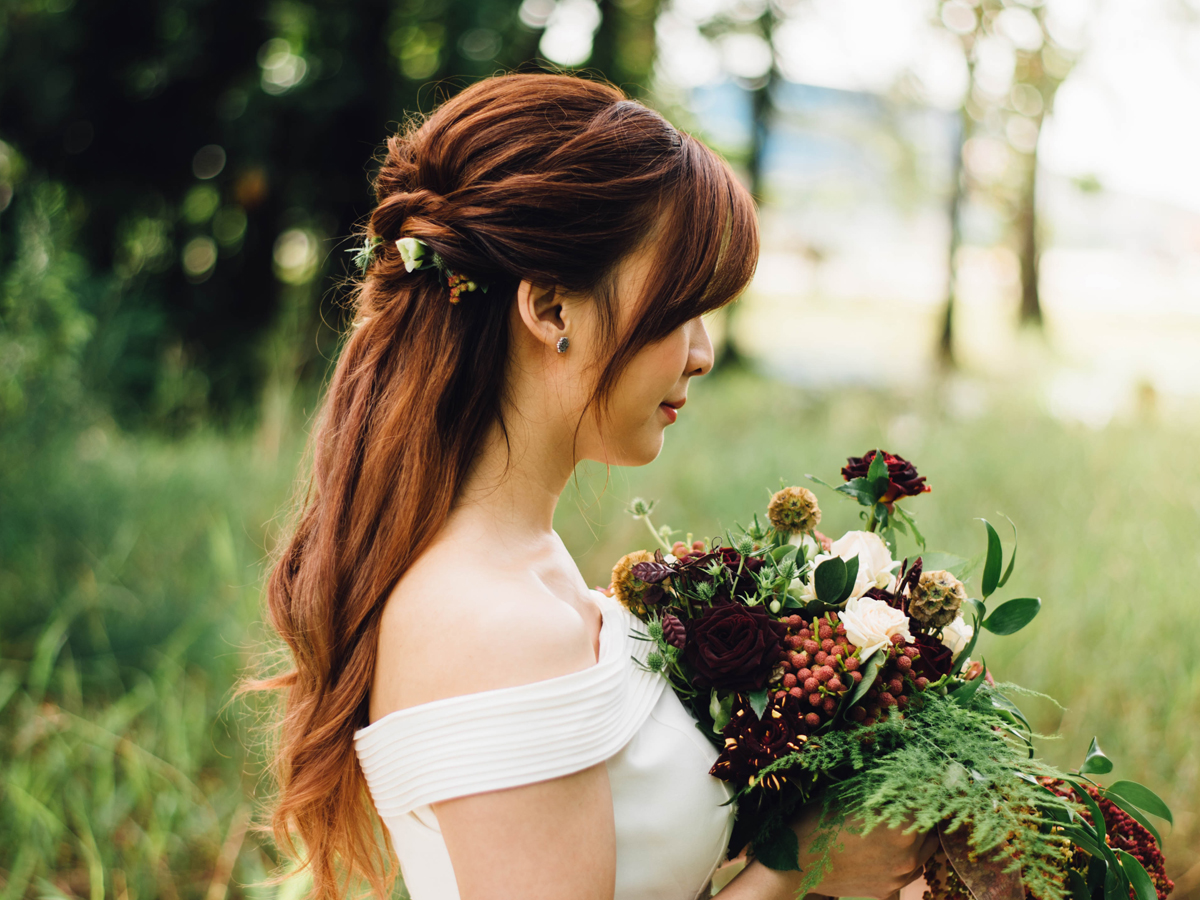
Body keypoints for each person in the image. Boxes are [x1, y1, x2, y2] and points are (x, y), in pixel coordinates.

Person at [254, 73, 937, 900]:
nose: (701, 352)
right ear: (550, 308)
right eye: (682, 307)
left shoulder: (528, 563)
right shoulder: (488, 625)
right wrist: (811, 870)